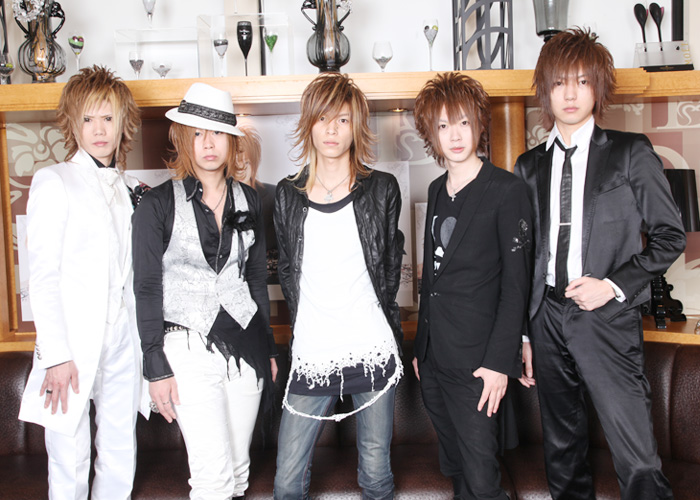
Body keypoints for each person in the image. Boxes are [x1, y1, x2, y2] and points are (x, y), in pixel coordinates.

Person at [513, 28, 685, 500]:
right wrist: (525, 333)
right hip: (546, 318)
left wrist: (611, 285)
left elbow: (670, 236)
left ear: (598, 88)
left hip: (606, 316)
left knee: (637, 457)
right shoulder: (528, 166)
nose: (570, 94)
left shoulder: (630, 153)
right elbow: (524, 258)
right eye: (559, 82)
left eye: (583, 81)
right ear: (545, 89)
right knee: (562, 454)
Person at [132, 82, 277, 500]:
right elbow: (146, 287)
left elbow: (254, 278)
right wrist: (155, 366)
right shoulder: (157, 204)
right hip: (186, 344)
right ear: (183, 139)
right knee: (212, 477)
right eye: (197, 133)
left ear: (231, 141)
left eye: (217, 133)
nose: (208, 143)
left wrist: (268, 348)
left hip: (245, 341)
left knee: (238, 471)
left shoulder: (250, 199)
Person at [273, 72, 404, 500]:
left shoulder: (381, 189)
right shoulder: (287, 195)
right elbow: (288, 272)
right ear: (309, 123)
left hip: (370, 347)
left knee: (376, 475)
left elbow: (389, 269)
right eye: (323, 118)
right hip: (313, 350)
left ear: (356, 127)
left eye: (343, 120)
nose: (332, 129)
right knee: (287, 482)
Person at [18, 66, 145, 499]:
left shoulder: (130, 188)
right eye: (88, 119)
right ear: (73, 124)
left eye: (107, 118)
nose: (99, 129)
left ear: (122, 122)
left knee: (119, 449)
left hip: (123, 336)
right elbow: (43, 277)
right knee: (68, 455)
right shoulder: (54, 180)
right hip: (71, 344)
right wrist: (56, 355)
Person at [412, 72, 532, 500]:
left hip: (478, 363)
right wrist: (422, 348)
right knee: (457, 469)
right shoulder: (435, 190)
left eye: (463, 122)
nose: (455, 135)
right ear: (431, 133)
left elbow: (516, 286)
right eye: (443, 125)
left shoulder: (507, 190)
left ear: (479, 123)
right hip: (434, 359)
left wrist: (500, 363)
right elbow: (433, 278)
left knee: (483, 481)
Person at [236, 125, 278, 283]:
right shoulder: (217, 200)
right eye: (235, 165)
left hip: (271, 282)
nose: (240, 170)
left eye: (246, 163)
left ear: (254, 163)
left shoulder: (275, 196)